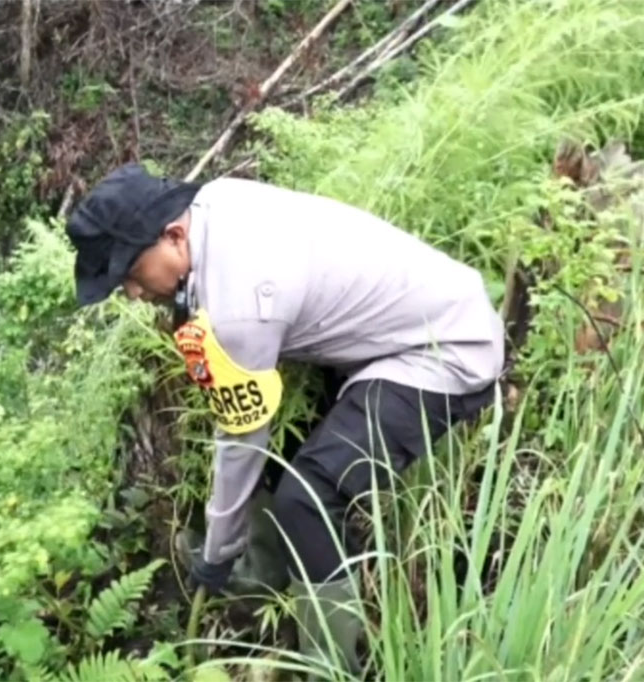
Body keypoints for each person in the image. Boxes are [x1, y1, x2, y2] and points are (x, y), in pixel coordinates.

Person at [64, 163, 504, 672]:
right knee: (288, 469)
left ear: (174, 235)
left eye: (130, 274)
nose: (134, 294)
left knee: (310, 497)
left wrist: (217, 548)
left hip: (445, 350)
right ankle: (265, 575)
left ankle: (329, 663)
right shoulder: (217, 200)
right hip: (401, 328)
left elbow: (242, 436)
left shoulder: (241, 309)